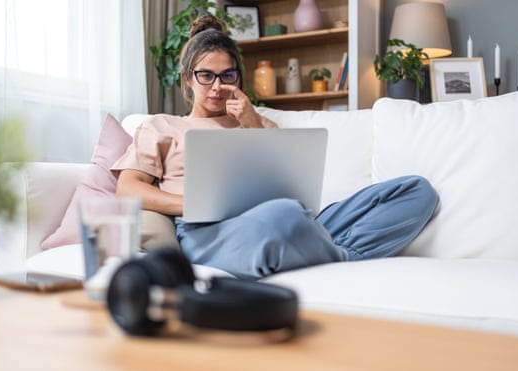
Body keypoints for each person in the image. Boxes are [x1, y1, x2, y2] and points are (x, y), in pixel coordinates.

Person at [112, 14, 439, 280]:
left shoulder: (259, 123)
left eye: (227, 75)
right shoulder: (161, 125)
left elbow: (287, 186)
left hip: (290, 218)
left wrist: (252, 122)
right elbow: (127, 190)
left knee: (416, 191)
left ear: (239, 77)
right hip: (207, 232)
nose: (217, 87)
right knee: (283, 215)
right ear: (187, 78)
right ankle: (332, 254)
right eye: (205, 76)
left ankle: (314, 249)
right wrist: (193, 203)